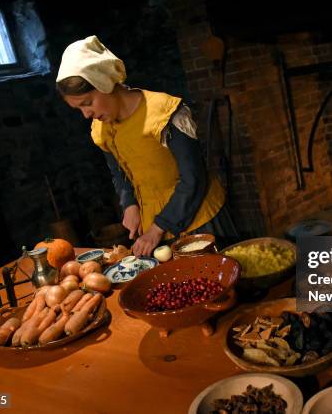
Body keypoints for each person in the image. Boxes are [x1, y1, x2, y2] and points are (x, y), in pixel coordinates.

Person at [56, 35, 238, 256]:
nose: (86, 114)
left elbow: (193, 178)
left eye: (87, 103)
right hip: (155, 230)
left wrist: (157, 228)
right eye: (79, 109)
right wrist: (130, 204)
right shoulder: (102, 129)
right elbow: (119, 172)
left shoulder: (165, 112)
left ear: (104, 82)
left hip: (199, 220)